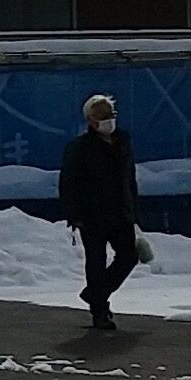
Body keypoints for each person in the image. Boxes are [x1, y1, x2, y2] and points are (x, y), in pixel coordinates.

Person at [57, 93, 140, 333]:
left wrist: (134, 209)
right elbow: (68, 183)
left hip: (121, 212)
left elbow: (129, 179)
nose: (108, 121)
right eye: (102, 117)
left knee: (129, 256)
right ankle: (100, 310)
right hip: (91, 215)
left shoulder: (123, 142)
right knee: (96, 261)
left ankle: (95, 293)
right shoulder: (79, 148)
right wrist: (74, 214)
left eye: (110, 115)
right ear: (90, 121)